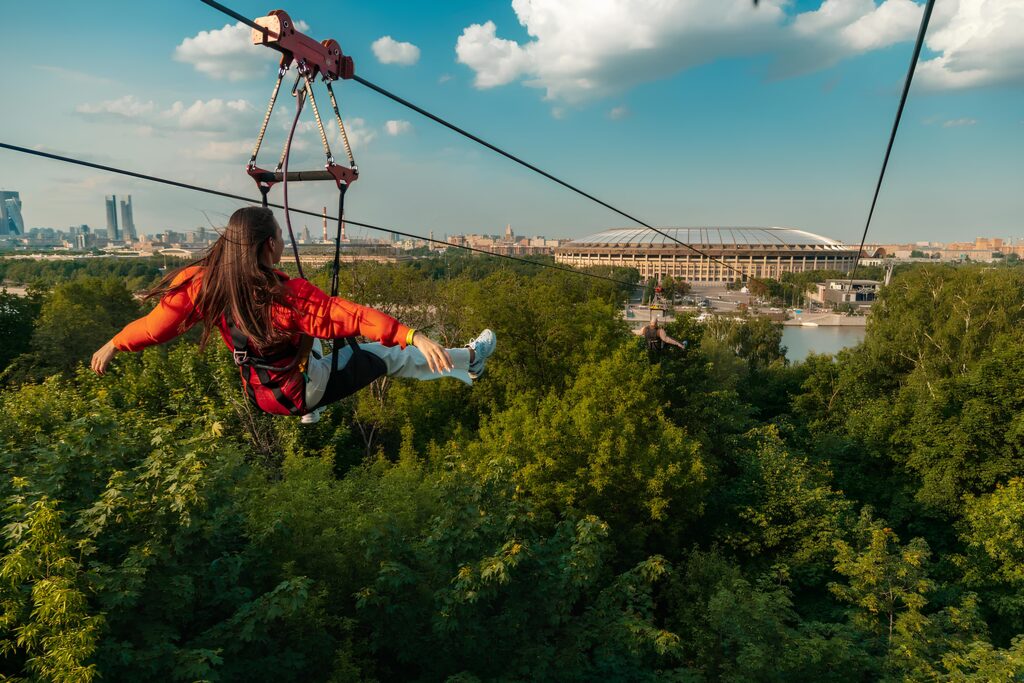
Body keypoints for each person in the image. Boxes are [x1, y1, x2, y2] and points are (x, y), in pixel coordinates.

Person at [90, 206, 496, 423]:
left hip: (260, 392)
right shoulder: (287, 300)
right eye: (282, 237)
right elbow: (352, 316)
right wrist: (412, 335)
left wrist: (115, 343)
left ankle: (312, 405)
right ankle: (470, 360)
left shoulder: (204, 284)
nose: (285, 244)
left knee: (315, 334)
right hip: (298, 392)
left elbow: (156, 327)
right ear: (268, 245)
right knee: (388, 356)